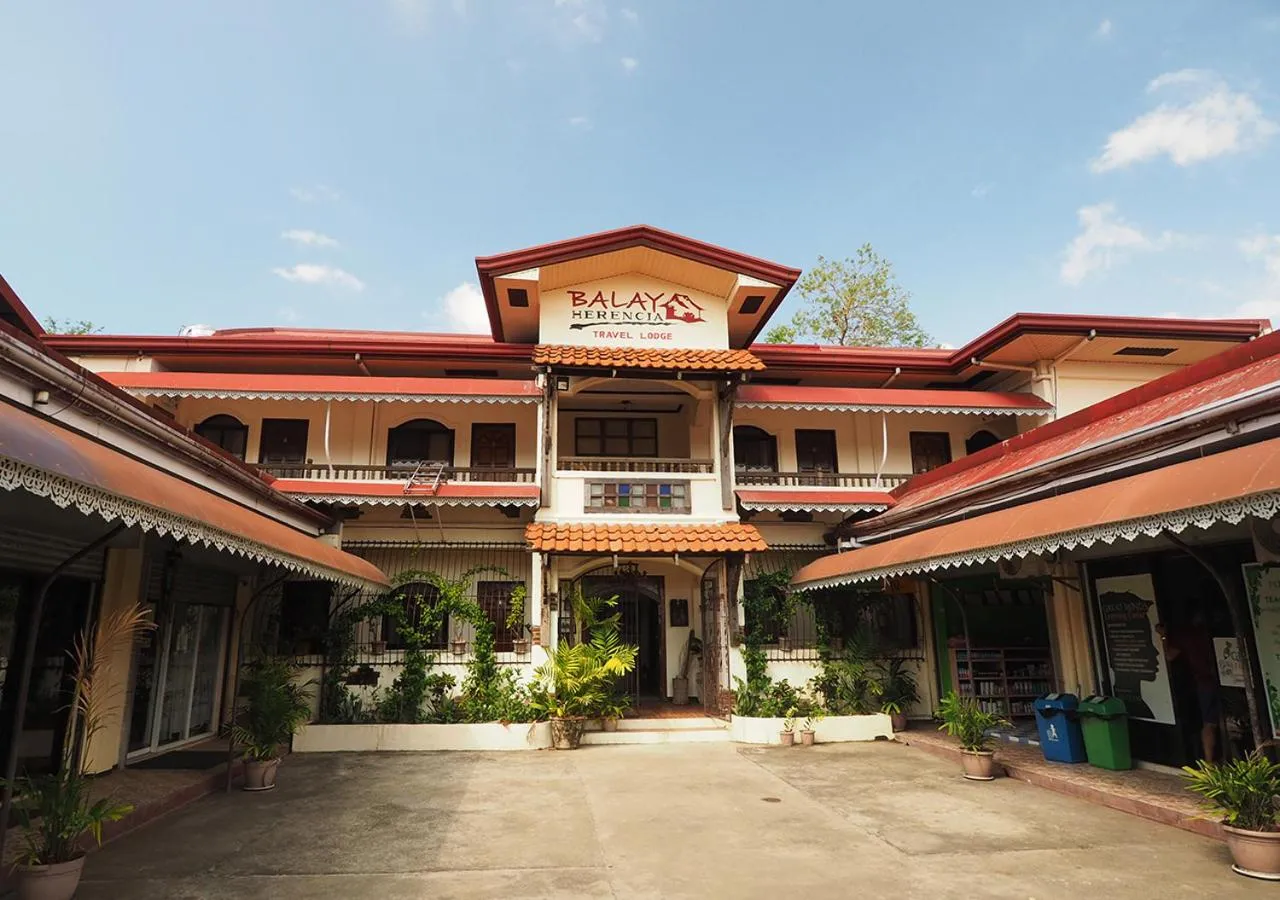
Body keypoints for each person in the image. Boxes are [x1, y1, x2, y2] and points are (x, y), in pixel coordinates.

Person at [1158, 612, 1220, 763]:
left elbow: (1169, 655)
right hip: (1219, 682)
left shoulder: (1188, 635)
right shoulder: (1216, 631)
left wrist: (1164, 636)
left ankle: (1209, 763)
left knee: (1209, 723)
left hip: (1205, 682)